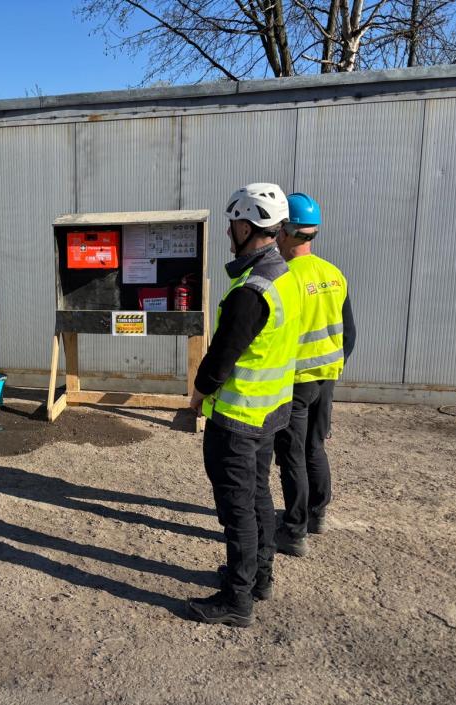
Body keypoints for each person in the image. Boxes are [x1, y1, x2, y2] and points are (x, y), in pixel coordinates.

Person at [186, 183, 301, 627]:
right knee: (257, 497)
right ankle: (259, 578)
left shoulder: (250, 291)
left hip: (238, 418)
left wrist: (198, 394)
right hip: (272, 411)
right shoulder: (283, 276)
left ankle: (237, 600)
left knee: (238, 509)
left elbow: (219, 362)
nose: (229, 232)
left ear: (246, 226)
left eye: (232, 224)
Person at [272, 192, 356, 557]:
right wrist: (331, 366)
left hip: (296, 382)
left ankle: (293, 530)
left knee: (292, 454)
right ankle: (317, 514)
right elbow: (349, 333)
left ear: (288, 232)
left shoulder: (285, 277)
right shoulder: (333, 274)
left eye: (277, 229)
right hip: (327, 378)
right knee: (314, 448)